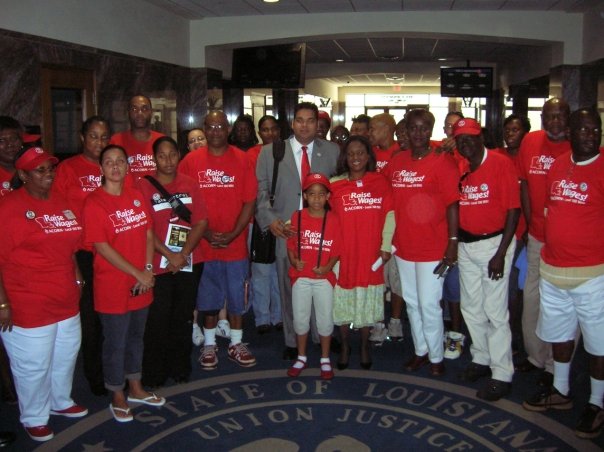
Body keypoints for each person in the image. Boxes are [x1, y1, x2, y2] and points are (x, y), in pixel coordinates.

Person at [522, 108, 604, 439]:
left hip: (592, 275)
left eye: (595, 128)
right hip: (553, 269)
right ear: (571, 131)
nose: (590, 134)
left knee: (598, 344)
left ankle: (597, 402)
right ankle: (561, 389)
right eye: (583, 129)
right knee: (559, 336)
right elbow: (549, 209)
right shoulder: (558, 166)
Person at [0, 146, 87, 442]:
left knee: (65, 355)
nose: (48, 174)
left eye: (50, 168)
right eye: (40, 170)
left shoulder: (60, 200)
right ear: (23, 175)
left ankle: (60, 401)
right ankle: (34, 416)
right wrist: (2, 302)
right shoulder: (9, 208)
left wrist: (75, 270)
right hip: (27, 301)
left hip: (64, 296)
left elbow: (69, 243)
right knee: (33, 365)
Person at [82, 144, 164, 423]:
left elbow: (149, 234)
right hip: (113, 285)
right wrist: (138, 273)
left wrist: (149, 269)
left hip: (142, 281)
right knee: (115, 342)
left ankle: (136, 387)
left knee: (136, 338)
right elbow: (102, 247)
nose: (115, 167)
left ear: (128, 167)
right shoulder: (94, 202)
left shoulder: (136, 196)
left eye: (120, 161)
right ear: (100, 168)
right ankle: (117, 393)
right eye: (109, 162)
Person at [255, 102, 339, 360]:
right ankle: (292, 340)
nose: (305, 125)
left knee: (323, 285)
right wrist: (271, 221)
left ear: (318, 124)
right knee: (290, 287)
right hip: (287, 231)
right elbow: (260, 192)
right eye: (299, 120)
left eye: (310, 120)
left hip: (322, 232)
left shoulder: (333, 151)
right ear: (292, 123)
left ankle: (321, 334)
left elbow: (338, 192)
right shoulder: (270, 152)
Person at [180, 111, 257, 370]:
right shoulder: (191, 161)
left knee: (237, 298)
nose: (215, 131)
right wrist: (205, 232)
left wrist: (235, 233)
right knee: (208, 299)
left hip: (235, 245)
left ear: (228, 129)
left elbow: (249, 201)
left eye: (220, 126)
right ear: (204, 128)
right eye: (210, 126)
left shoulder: (243, 159)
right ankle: (209, 344)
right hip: (203, 244)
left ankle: (236, 343)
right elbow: (181, 201)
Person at [385, 109, 459, 377]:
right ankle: (421, 351)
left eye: (423, 128)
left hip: (433, 247)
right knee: (413, 303)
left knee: (429, 304)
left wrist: (452, 243)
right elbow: (388, 199)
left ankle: (437, 355)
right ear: (406, 130)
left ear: (431, 130)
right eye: (413, 128)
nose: (418, 133)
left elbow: (452, 204)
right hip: (404, 245)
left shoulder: (442, 160)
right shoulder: (397, 160)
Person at [454, 118, 520, 401]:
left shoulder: (501, 163)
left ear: (481, 137)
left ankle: (502, 372)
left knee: (495, 312)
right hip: (466, 246)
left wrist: (501, 254)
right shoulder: (460, 163)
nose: (465, 144)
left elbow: (513, 210)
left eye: (470, 138)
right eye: (460, 140)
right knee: (471, 307)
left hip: (494, 245)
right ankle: (480, 357)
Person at [139, 136, 208, 387]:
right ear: (154, 158)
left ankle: (180, 367)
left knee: (183, 317)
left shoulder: (190, 184)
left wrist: (183, 254)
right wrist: (169, 255)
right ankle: (155, 372)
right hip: (158, 264)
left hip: (189, 262)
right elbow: (145, 228)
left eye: (172, 154)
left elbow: (200, 221)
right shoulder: (143, 186)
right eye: (161, 155)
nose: (168, 160)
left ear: (179, 155)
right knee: (157, 319)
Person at [53, 116, 111, 396]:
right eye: (93, 136)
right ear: (81, 137)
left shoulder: (113, 165)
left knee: (113, 317)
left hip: (113, 254)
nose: (99, 143)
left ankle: (115, 371)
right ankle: (95, 377)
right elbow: (57, 210)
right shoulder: (67, 169)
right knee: (89, 322)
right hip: (83, 255)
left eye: (104, 137)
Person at [517, 98, 571, 385]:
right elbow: (524, 183)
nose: (555, 122)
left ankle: (555, 365)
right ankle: (535, 357)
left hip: (567, 245)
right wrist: (528, 223)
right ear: (542, 118)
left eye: (560, 116)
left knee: (560, 305)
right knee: (532, 299)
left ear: (568, 117)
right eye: (549, 117)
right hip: (537, 236)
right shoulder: (530, 142)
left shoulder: (580, 146)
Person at [330, 136, 394, 369]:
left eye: (360, 153)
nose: (355, 157)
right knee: (343, 299)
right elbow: (319, 213)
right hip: (343, 252)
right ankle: (346, 344)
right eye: (350, 154)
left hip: (370, 252)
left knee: (367, 299)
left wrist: (386, 245)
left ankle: (365, 345)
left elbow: (390, 214)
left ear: (369, 157)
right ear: (344, 158)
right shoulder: (334, 184)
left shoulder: (381, 182)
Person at [286, 173, 341, 379]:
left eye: (321, 194)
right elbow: (291, 245)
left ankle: (325, 359)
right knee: (300, 319)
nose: (316, 198)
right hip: (301, 277)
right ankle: (301, 356)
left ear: (328, 196)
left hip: (323, 279)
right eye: (312, 194)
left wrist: (327, 267)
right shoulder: (296, 217)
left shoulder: (333, 219)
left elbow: (337, 250)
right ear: (305, 196)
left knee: (325, 320)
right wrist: (293, 261)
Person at [367, 113, 404, 345]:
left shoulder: (401, 152)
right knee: (377, 278)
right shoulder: (370, 154)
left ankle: (396, 322)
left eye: (373, 128)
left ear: (386, 129)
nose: (369, 133)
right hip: (374, 226)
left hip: (399, 228)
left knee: (397, 280)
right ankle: (378, 322)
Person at [496, 114, 531, 356]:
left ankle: (517, 336)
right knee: (503, 289)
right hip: (500, 233)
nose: (510, 134)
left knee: (518, 289)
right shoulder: (497, 156)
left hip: (524, 234)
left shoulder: (529, 159)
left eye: (515, 129)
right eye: (507, 130)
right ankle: (505, 335)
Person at [248, 115, 282, 334]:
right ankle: (262, 317)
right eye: (264, 130)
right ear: (259, 133)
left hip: (282, 219)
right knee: (260, 271)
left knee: (279, 271)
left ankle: (279, 316)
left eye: (272, 129)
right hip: (258, 219)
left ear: (278, 131)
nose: (269, 133)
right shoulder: (252, 154)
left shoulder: (287, 151)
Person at [110, 95, 164, 176]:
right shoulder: (115, 142)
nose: (139, 113)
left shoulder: (162, 141)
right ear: (128, 112)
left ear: (151, 112)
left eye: (144, 109)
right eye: (134, 109)